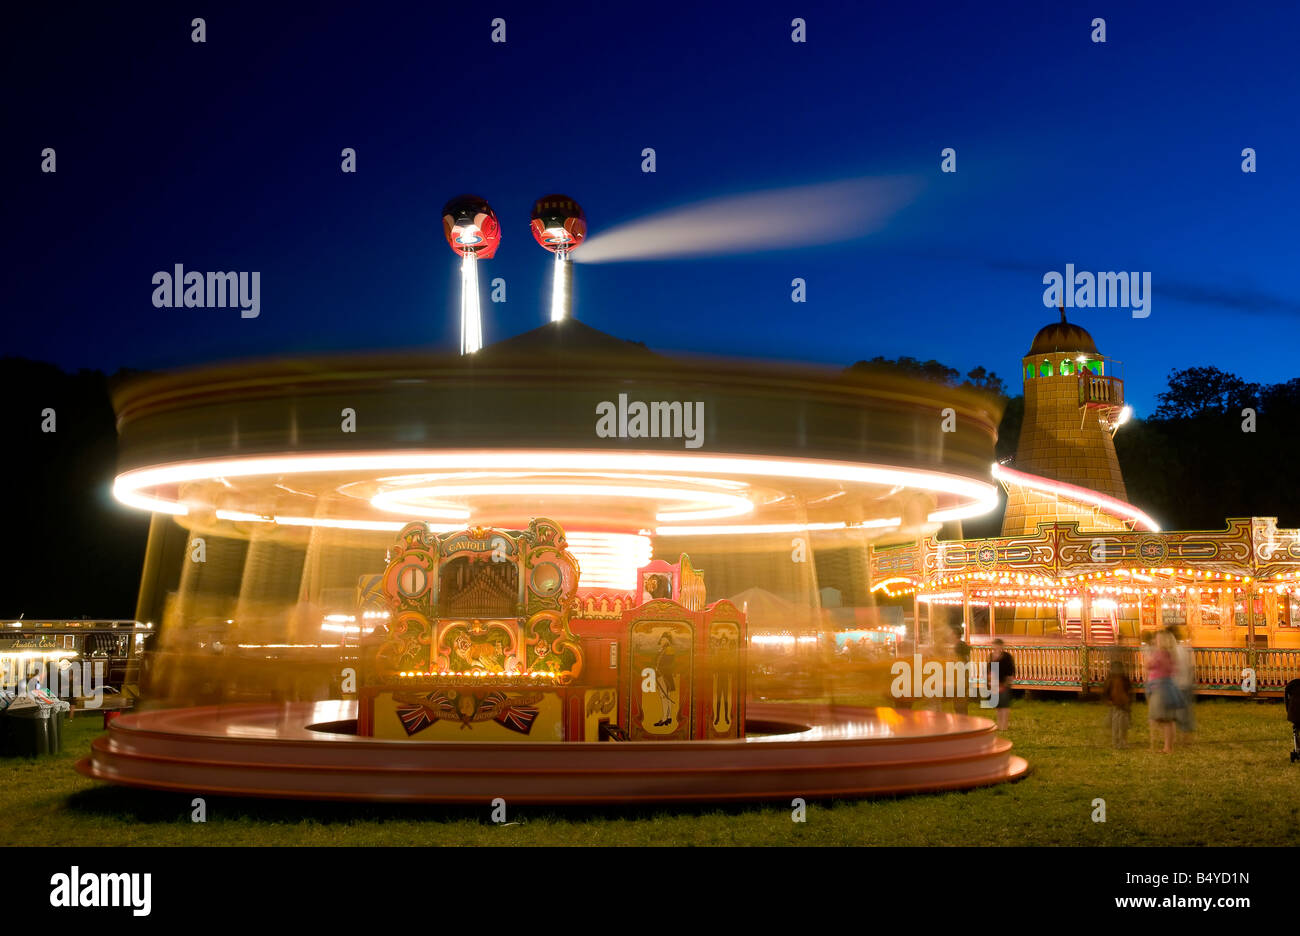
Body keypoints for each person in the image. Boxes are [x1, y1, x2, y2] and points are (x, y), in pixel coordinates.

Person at [1145, 629, 1179, 753]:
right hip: (1167, 687)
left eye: (1157, 639)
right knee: (1167, 720)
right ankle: (1168, 745)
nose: (1155, 641)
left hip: (1159, 688)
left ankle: (1166, 746)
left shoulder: (1159, 654)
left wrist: (1148, 659)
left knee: (1161, 719)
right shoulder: (1170, 653)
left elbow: (1148, 665)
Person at [1100, 655, 1133, 749]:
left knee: (1123, 725)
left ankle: (1123, 741)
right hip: (1115, 706)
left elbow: (1128, 691)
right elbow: (1106, 692)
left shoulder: (1124, 680)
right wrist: (1108, 701)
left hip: (1124, 705)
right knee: (1116, 724)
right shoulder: (1111, 680)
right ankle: (1116, 742)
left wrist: (1128, 702)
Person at [1170, 628, 1197, 737]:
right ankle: (1186, 738)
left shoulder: (1172, 651)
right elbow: (1191, 667)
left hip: (1176, 685)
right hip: (1186, 684)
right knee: (1186, 713)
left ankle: (1175, 738)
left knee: (1175, 713)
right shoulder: (1185, 650)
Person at [988, 638, 1015, 730]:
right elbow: (989, 669)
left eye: (998, 645)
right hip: (994, 683)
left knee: (1004, 705)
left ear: (1001, 646)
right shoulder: (991, 656)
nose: (996, 647)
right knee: (998, 706)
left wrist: (1008, 682)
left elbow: (1011, 670)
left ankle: (1004, 726)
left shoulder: (1007, 656)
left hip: (1004, 683)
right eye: (994, 645)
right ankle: (999, 724)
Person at [952, 626, 972, 715]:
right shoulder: (963, 645)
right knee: (961, 702)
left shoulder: (959, 646)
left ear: (954, 635)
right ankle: (963, 720)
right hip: (964, 676)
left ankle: (962, 722)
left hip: (960, 677)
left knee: (959, 703)